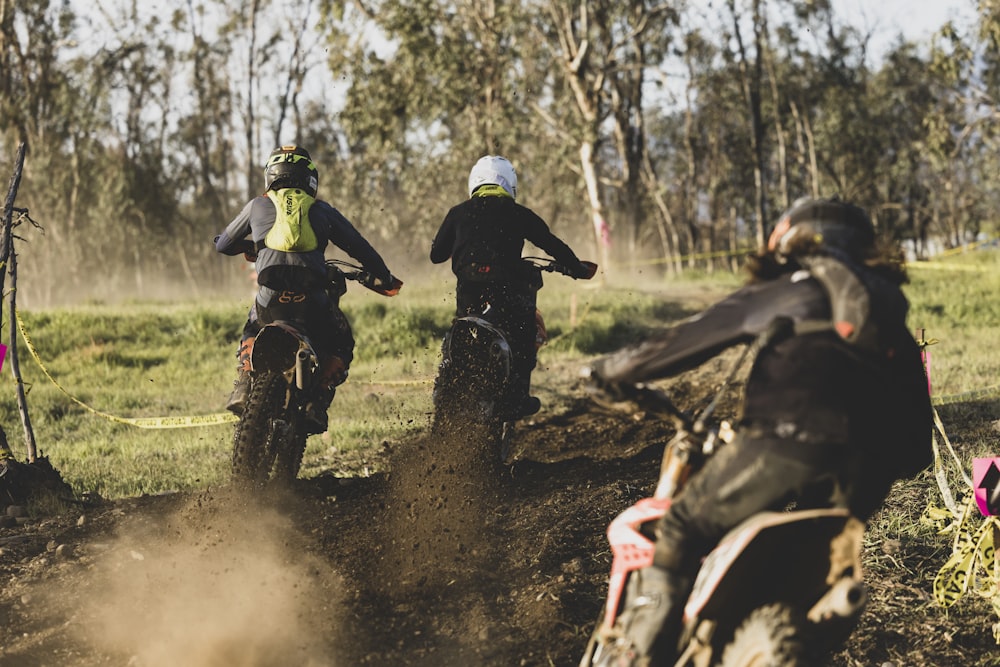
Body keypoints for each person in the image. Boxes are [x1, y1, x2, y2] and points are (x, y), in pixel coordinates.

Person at [586, 197, 933, 664]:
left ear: (788, 236)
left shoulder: (794, 286)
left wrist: (613, 371)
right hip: (865, 477)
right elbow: (917, 451)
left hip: (784, 442)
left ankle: (641, 655)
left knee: (682, 527)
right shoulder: (891, 317)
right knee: (798, 575)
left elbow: (690, 337)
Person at [215, 144, 396, 433]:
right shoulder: (321, 210)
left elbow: (223, 244)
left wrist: (249, 246)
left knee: (251, 329)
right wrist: (384, 276)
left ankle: (243, 384)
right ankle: (318, 402)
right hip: (311, 299)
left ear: (270, 176)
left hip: (269, 297)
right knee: (340, 341)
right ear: (309, 178)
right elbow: (360, 247)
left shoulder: (257, 206)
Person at [430, 154, 595, 419]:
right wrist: (576, 268)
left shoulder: (457, 213)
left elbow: (436, 254)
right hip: (507, 288)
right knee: (524, 334)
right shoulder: (519, 214)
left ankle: (448, 381)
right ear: (510, 184)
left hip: (469, 291)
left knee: (460, 330)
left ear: (474, 182)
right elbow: (552, 244)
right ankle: (517, 398)